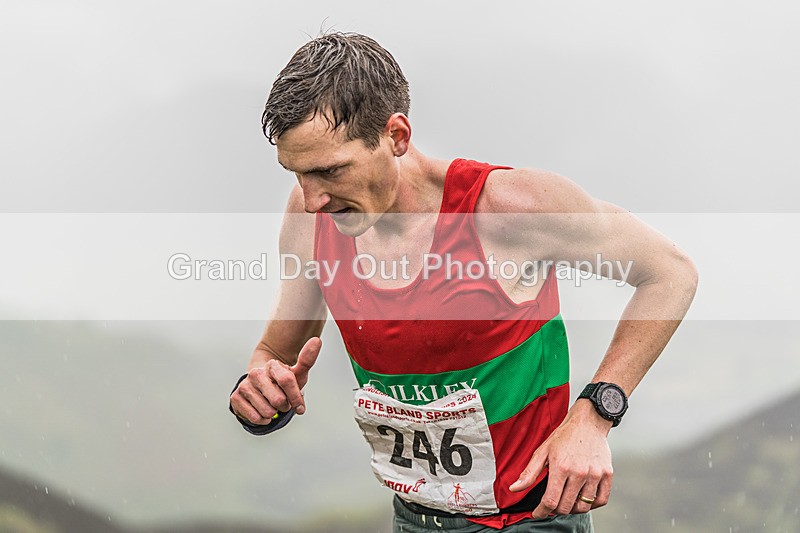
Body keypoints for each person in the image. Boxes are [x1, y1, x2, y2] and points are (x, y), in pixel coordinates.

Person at [229, 32, 698, 532]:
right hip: (414, 519)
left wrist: (595, 412)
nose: (312, 200)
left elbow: (670, 272)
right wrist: (259, 389)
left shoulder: (508, 209)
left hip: (531, 518)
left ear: (396, 136)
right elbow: (274, 353)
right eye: (297, 173)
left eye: (330, 171)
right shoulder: (311, 219)